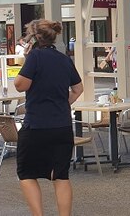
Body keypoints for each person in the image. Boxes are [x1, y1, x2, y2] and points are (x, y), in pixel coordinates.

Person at [13, 19, 83, 216]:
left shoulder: (34, 57)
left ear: (33, 38)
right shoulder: (64, 59)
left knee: (26, 173)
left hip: (36, 126)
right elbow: (78, 89)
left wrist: (27, 60)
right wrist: (62, 104)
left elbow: (20, 85)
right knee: (61, 176)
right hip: (62, 126)